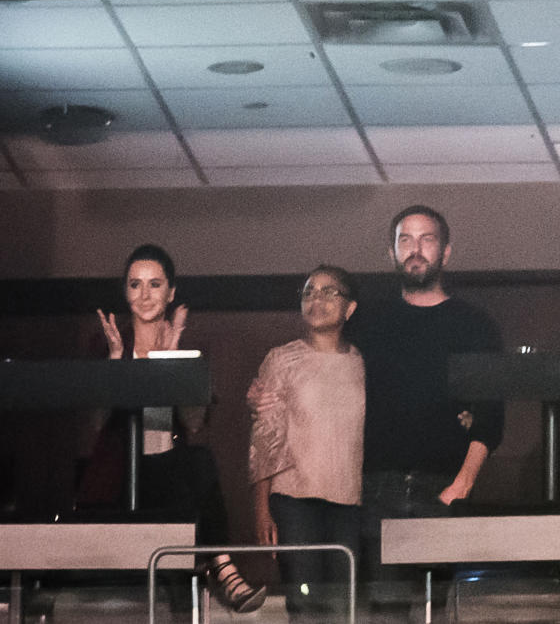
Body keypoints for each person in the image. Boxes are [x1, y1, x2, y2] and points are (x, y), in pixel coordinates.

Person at [80, 244, 266, 613]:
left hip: (173, 474)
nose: (145, 295)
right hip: (122, 475)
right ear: (125, 292)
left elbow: (194, 424)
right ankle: (224, 572)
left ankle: (221, 570)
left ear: (171, 292)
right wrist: (116, 364)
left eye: (154, 284)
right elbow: (97, 424)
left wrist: (173, 360)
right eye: (135, 285)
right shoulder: (107, 342)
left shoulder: (184, 343)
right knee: (194, 469)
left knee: (198, 461)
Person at [348, 205, 504, 586]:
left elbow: (491, 418)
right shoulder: (368, 321)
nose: (415, 249)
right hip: (373, 488)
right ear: (392, 253)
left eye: (426, 239)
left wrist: (460, 486)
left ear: (445, 252)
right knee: (384, 610)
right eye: (405, 240)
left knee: (440, 608)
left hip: (442, 486)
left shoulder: (474, 325)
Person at [247, 265, 365, 621]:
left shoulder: (363, 362)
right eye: (309, 292)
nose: (317, 299)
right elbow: (264, 437)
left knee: (345, 605)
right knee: (304, 604)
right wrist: (262, 508)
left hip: (350, 500)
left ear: (350, 308)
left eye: (330, 292)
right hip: (295, 500)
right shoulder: (281, 358)